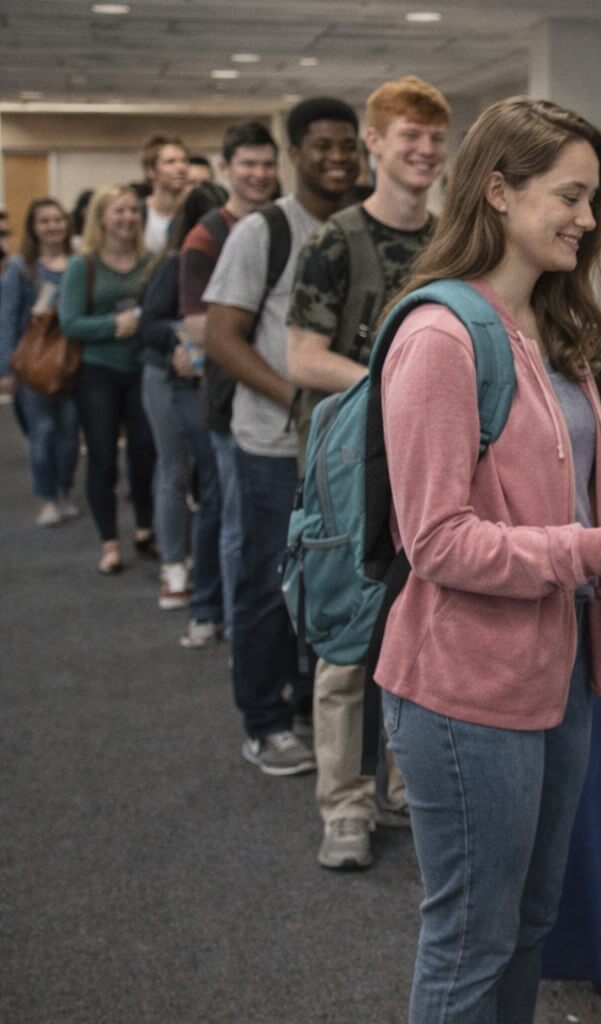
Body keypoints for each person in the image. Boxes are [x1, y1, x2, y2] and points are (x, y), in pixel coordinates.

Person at [377, 96, 601, 1022]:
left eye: (594, 200)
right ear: (498, 191)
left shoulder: (551, 329)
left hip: (552, 673)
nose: (588, 221)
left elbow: (543, 484)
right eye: (570, 196)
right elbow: (435, 539)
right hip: (461, 690)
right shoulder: (439, 338)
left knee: (529, 921)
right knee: (473, 940)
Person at [286, 75, 450, 872]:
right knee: (348, 642)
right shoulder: (333, 241)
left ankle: (398, 785)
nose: (423, 151)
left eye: (434, 139)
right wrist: (397, 386)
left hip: (431, 469)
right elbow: (301, 357)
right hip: (349, 469)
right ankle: (344, 804)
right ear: (374, 145)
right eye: (407, 137)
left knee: (418, 632)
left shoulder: (452, 242)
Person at [203, 97, 360, 776]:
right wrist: (298, 399)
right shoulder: (264, 231)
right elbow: (221, 338)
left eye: (348, 146)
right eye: (321, 145)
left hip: (345, 450)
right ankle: (263, 720)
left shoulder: (365, 227)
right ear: (294, 154)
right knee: (268, 581)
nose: (336, 158)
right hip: (271, 445)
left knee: (331, 580)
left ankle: (305, 701)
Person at [178, 120, 280, 648]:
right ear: (226, 169)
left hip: (285, 411)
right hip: (231, 403)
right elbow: (202, 329)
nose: (259, 174)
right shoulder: (207, 236)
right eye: (248, 165)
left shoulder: (287, 223)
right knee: (235, 519)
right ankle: (234, 628)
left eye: (267, 164)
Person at [58, 183, 157, 575]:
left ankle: (146, 529)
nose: (128, 218)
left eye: (133, 210)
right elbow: (70, 323)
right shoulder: (84, 265)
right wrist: (116, 325)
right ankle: (109, 541)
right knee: (102, 458)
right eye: (119, 211)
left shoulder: (150, 261)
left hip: (141, 371)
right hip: (97, 372)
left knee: (145, 453)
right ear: (101, 217)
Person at [138, 184, 225, 617]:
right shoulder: (175, 263)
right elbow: (147, 324)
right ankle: (174, 564)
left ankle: (204, 573)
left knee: (211, 483)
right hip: (168, 378)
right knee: (174, 471)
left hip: (206, 381)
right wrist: (185, 335)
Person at [0, 197, 82, 527]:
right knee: (43, 432)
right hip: (34, 366)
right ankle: (45, 497)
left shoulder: (80, 262)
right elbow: (6, 318)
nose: (53, 226)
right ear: (34, 228)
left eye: (58, 220)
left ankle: (63, 491)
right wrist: (5, 367)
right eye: (44, 221)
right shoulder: (22, 269)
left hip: (73, 363)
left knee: (70, 434)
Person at [140, 135, 190, 253]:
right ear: (151, 171)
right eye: (170, 162)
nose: (180, 167)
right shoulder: (138, 213)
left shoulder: (193, 212)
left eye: (184, 161)